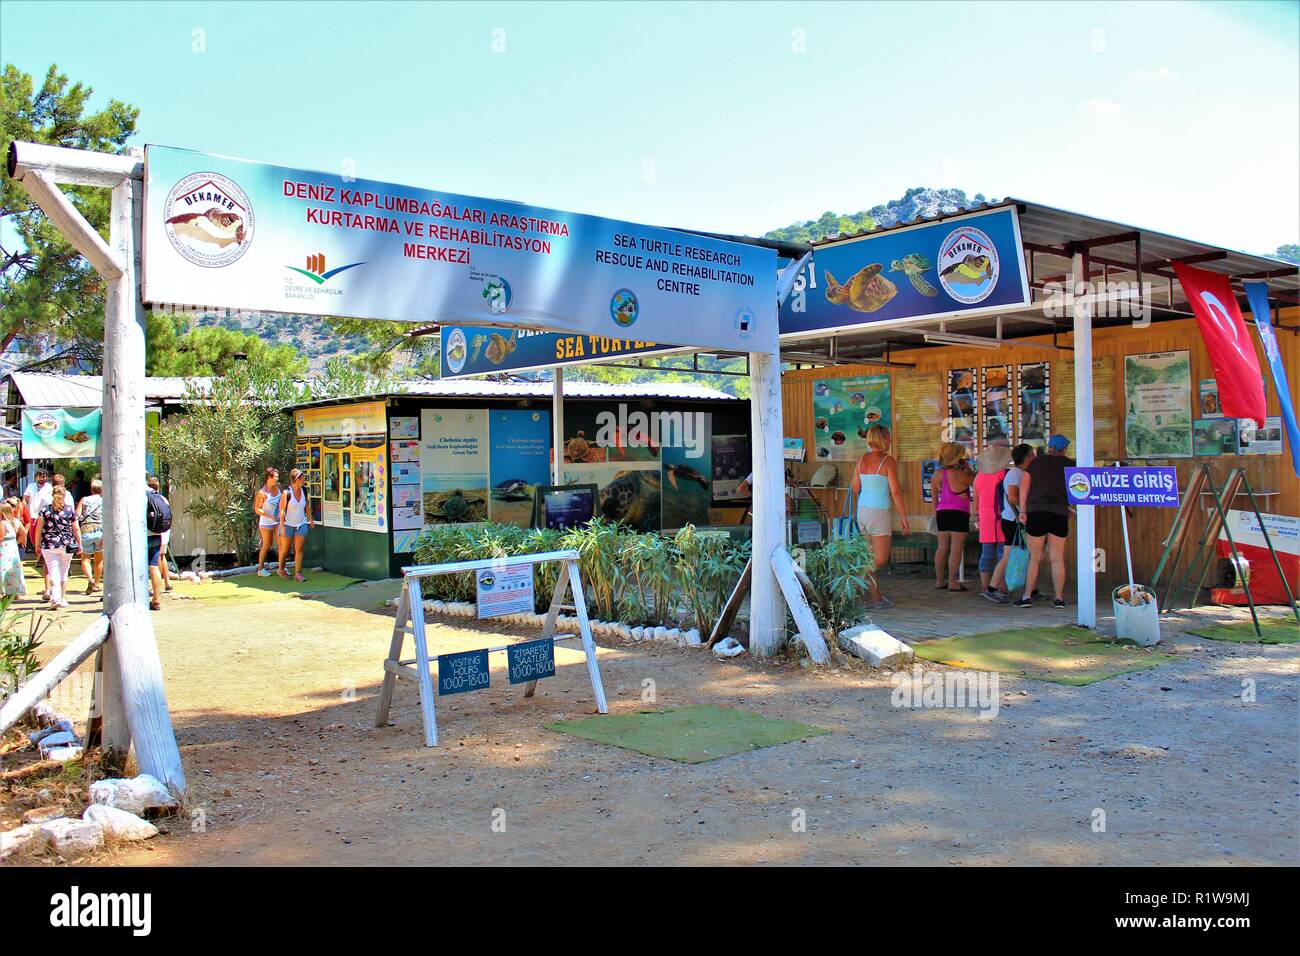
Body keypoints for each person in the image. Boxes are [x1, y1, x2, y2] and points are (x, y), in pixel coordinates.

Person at [847, 425, 909, 609]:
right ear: (882, 439)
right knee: (880, 559)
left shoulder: (861, 460)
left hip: (863, 510)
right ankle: (851, 578)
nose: (890, 441)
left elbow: (854, 487)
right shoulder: (888, 461)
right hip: (879, 511)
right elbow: (896, 491)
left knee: (868, 556)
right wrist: (904, 516)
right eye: (888, 437)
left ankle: (876, 598)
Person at [1015, 434, 1076, 609]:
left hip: (1037, 512)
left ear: (1049, 446)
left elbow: (1024, 488)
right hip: (1059, 513)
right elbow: (1075, 489)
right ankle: (1059, 599)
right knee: (1057, 559)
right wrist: (1070, 507)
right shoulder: (1070, 465)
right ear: (1064, 449)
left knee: (1034, 558)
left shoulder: (1035, 463)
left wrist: (1023, 511)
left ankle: (1027, 597)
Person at [985, 443, 1035, 603]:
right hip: (1013, 520)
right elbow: (1013, 496)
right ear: (1027, 457)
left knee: (1028, 554)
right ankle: (991, 588)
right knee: (1008, 555)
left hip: (1015, 519)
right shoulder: (1015, 473)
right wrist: (1025, 507)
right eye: (1032, 455)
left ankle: (1032, 589)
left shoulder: (1021, 473)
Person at [971, 442, 1011, 598]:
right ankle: (1002, 587)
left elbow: (975, 501)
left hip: (985, 517)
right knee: (1003, 554)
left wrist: (978, 517)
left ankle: (985, 587)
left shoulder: (978, 476)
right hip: (1001, 516)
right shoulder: (1004, 474)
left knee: (986, 553)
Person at [931, 442, 973, 592]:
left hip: (942, 512)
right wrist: (968, 468)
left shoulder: (936, 475)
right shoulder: (961, 474)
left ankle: (939, 581)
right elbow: (975, 481)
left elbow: (934, 499)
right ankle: (953, 582)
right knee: (956, 549)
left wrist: (936, 514)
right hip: (959, 513)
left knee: (942, 548)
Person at [34, 481, 80, 610]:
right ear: (64, 495)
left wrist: (37, 544)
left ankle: (55, 598)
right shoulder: (70, 510)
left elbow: (39, 529)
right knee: (64, 571)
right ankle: (63, 598)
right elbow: (76, 528)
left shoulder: (45, 510)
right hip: (68, 544)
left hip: (49, 544)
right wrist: (79, 544)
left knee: (53, 571)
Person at [276, 468, 315, 581]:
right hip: (288, 524)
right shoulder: (286, 493)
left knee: (300, 548)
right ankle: (281, 569)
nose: (304, 480)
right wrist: (282, 525)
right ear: (297, 479)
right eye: (302, 478)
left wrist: (310, 519)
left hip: (301, 523)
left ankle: (298, 573)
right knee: (285, 549)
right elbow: (282, 510)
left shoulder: (304, 490)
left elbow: (306, 506)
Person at [145, 477, 173, 611]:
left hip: (143, 537)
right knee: (154, 566)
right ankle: (156, 599)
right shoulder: (161, 498)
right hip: (157, 535)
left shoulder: (141, 497)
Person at [77, 478, 105, 595]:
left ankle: (90, 579)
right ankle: (97, 584)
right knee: (99, 560)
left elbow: (76, 515)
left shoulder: (84, 500)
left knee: (85, 559)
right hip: (100, 531)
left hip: (86, 530)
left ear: (91, 489)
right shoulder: (105, 501)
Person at [253, 467, 282, 577]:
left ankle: (281, 568)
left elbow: (282, 501)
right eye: (275, 477)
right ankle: (260, 569)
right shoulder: (262, 493)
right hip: (266, 523)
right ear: (269, 477)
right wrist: (270, 516)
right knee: (267, 545)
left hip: (277, 521)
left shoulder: (278, 487)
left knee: (281, 545)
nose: (277, 479)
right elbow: (257, 509)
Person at [0, 500, 28, 599]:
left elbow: (1, 538)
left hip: (4, 549)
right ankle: (15, 593)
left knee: (3, 569)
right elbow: (24, 532)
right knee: (14, 570)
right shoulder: (16, 521)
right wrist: (17, 541)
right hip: (13, 547)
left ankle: (4, 591)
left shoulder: (3, 523)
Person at [22, 469, 51, 556]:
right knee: (33, 536)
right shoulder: (31, 486)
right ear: (36, 477)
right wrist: (23, 511)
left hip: (45, 516)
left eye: (44, 476)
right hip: (33, 515)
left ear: (46, 477)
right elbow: (25, 500)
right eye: (40, 476)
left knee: (44, 535)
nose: (42, 478)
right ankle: (39, 554)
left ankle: (42, 557)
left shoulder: (49, 487)